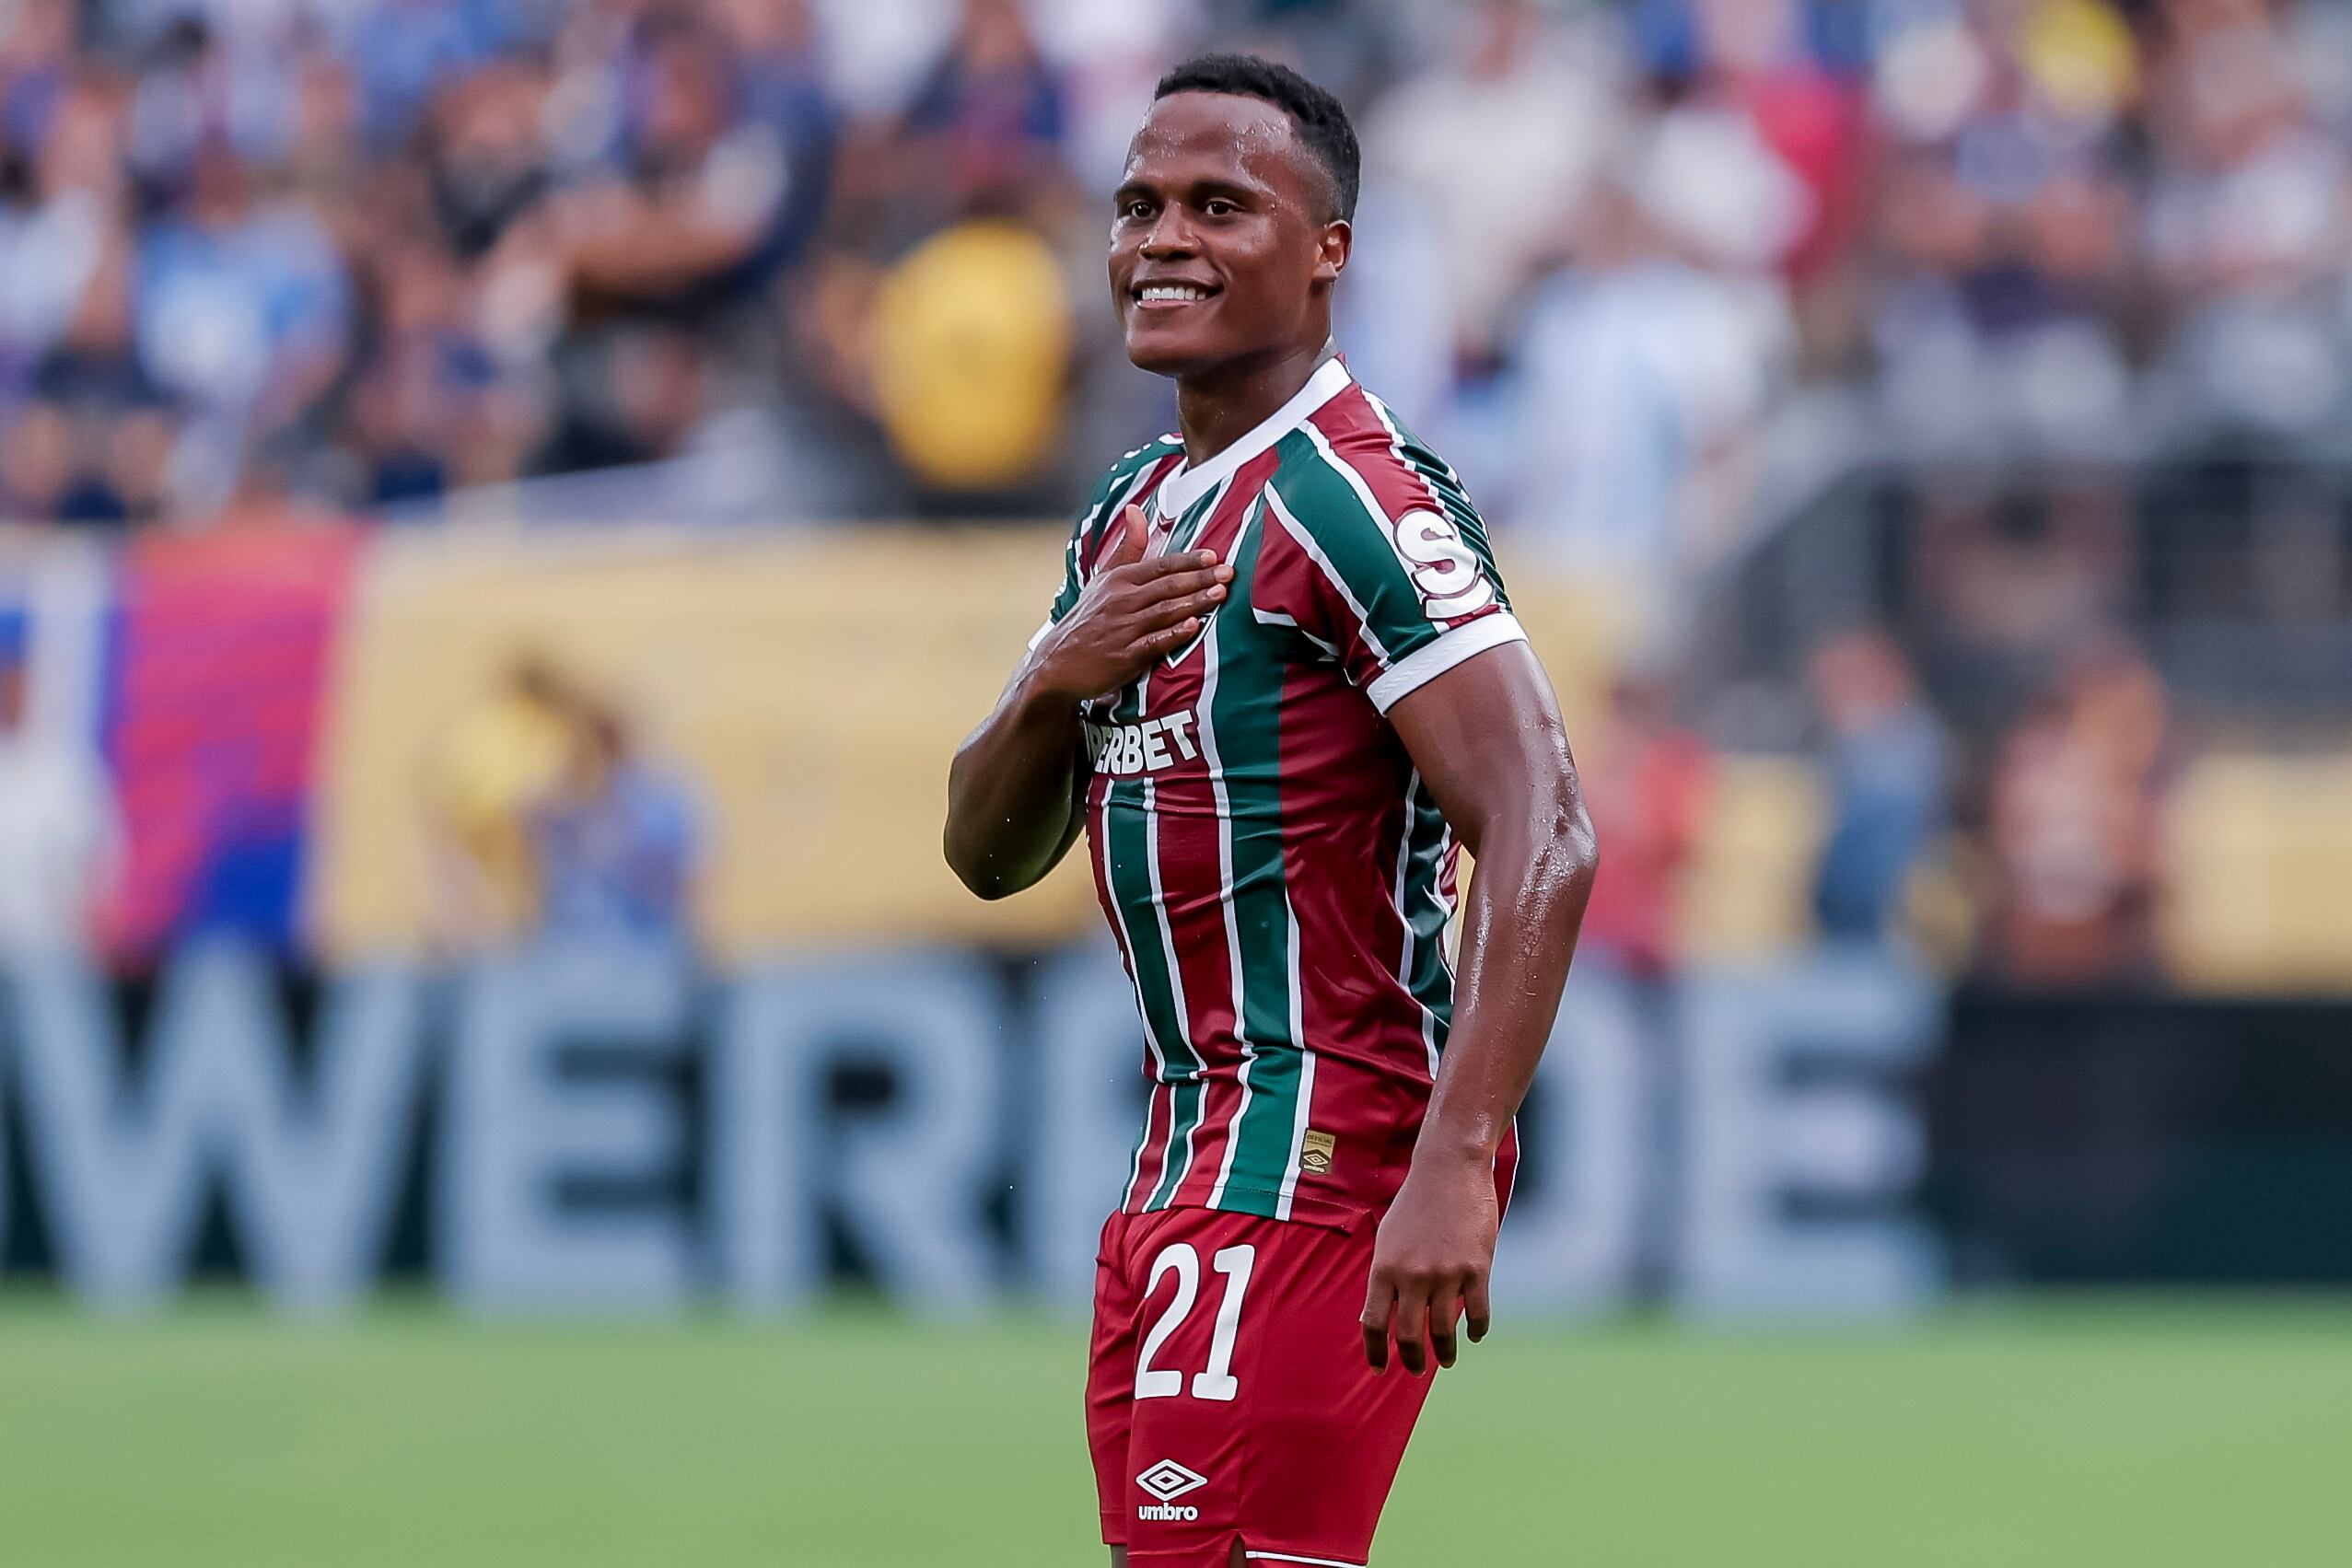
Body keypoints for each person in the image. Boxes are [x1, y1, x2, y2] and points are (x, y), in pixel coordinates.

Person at [943, 55, 1598, 1568]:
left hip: (1325, 1148)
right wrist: (1057, 677)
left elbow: (1541, 819)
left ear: (1327, 253)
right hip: (1186, 1147)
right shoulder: (1130, 513)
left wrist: (1456, 1154)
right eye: (1138, 205)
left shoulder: (1355, 502)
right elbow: (984, 855)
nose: (1160, 238)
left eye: (1218, 205)